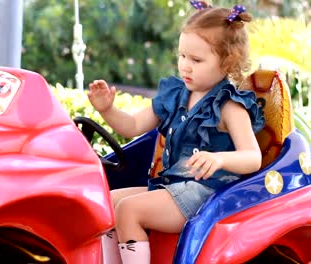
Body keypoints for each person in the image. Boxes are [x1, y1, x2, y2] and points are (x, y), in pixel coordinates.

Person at [87, 1, 265, 264]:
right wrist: (107, 110)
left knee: (128, 210)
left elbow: (253, 157)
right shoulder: (176, 94)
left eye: (196, 59)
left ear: (228, 62)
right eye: (182, 56)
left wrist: (219, 159)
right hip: (172, 187)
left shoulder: (229, 106)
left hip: (207, 193)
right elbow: (132, 126)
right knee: (109, 201)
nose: (185, 66)